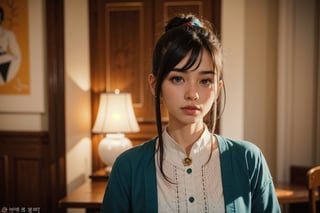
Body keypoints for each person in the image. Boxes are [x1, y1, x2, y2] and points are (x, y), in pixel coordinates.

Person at [101, 13, 280, 213]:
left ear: (218, 89)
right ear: (155, 85)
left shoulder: (248, 160)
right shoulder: (128, 167)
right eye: (178, 79)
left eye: (205, 81)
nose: (192, 94)